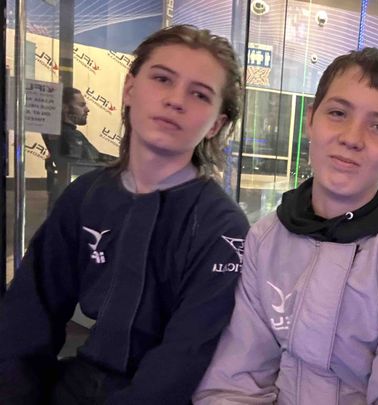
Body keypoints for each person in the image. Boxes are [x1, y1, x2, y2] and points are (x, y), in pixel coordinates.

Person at [0, 25, 250, 404]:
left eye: (199, 94)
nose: (175, 100)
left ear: (216, 123)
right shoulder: (86, 196)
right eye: (162, 79)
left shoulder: (222, 227)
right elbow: (28, 315)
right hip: (77, 380)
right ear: (130, 88)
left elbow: (184, 358)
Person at [194, 47, 378, 404]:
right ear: (311, 119)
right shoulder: (265, 239)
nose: (352, 138)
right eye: (338, 113)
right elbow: (235, 382)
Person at [42, 87, 113, 209]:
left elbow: (96, 158)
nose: (87, 109)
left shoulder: (68, 134)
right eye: (81, 105)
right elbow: (79, 166)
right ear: (65, 107)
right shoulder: (67, 136)